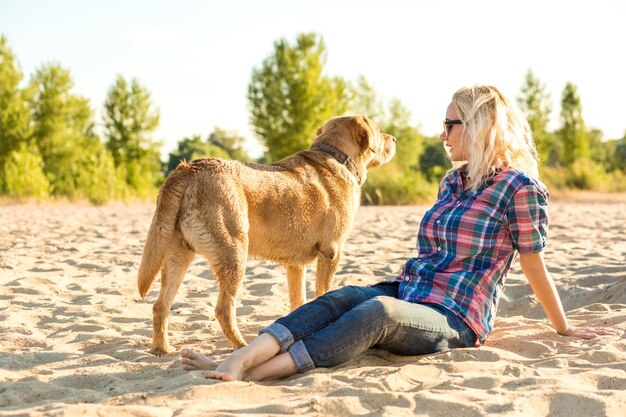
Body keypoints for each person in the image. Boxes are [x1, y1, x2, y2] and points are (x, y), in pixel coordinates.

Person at [179, 85, 619, 381]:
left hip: (456, 316)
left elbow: (532, 263)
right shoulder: (452, 182)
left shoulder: (520, 188)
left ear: (479, 127)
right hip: (411, 288)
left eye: (451, 125)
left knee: (379, 315)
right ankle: (236, 358)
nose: (442, 134)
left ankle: (251, 372)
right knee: (340, 297)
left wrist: (563, 328)